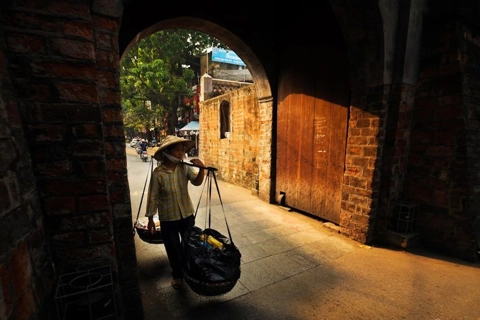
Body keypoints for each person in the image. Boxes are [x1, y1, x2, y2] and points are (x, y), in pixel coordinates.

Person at [145, 135, 205, 289]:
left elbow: (197, 182)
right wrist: (151, 219)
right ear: (167, 152)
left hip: (186, 214)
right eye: (177, 150)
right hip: (168, 217)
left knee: (188, 245)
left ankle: (189, 270)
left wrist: (201, 169)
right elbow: (153, 197)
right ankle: (177, 275)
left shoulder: (184, 167)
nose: (181, 153)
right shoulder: (158, 173)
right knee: (172, 248)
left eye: (182, 150)